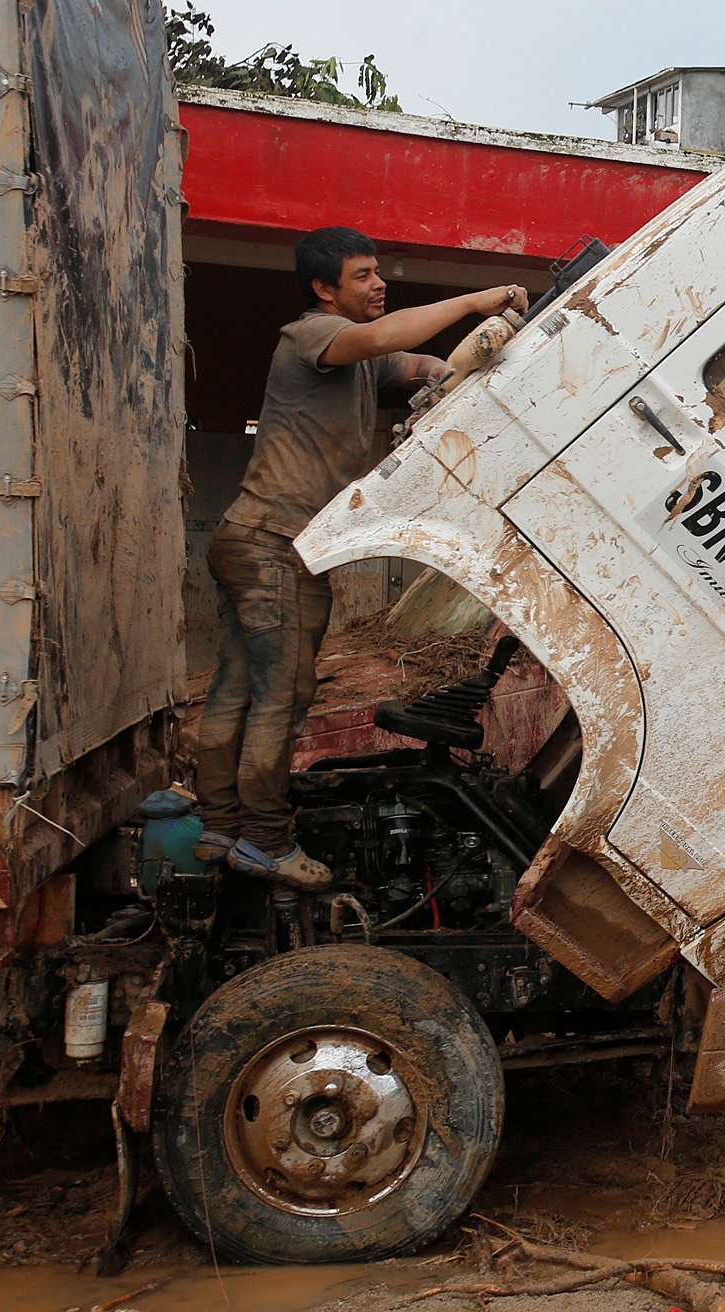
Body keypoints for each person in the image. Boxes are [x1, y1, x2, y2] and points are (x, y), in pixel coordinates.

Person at [194, 226, 529, 889]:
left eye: (380, 272)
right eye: (363, 276)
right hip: (276, 548)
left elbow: (420, 367)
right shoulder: (311, 335)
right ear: (324, 289)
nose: (379, 285)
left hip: (251, 537)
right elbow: (383, 339)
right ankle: (266, 839)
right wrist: (475, 303)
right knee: (280, 699)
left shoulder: (358, 364)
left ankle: (220, 830)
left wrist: (461, 369)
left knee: (235, 690)